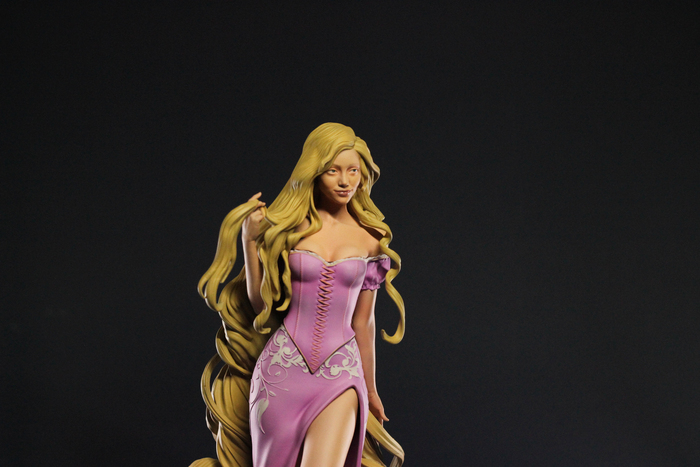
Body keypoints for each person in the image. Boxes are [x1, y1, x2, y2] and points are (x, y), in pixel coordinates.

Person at [190, 123, 405, 467]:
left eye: (353, 171)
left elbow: (363, 322)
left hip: (341, 374)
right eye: (333, 171)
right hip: (280, 372)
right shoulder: (288, 231)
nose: (345, 181)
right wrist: (250, 241)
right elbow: (261, 305)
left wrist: (371, 388)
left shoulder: (371, 239)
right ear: (315, 171)